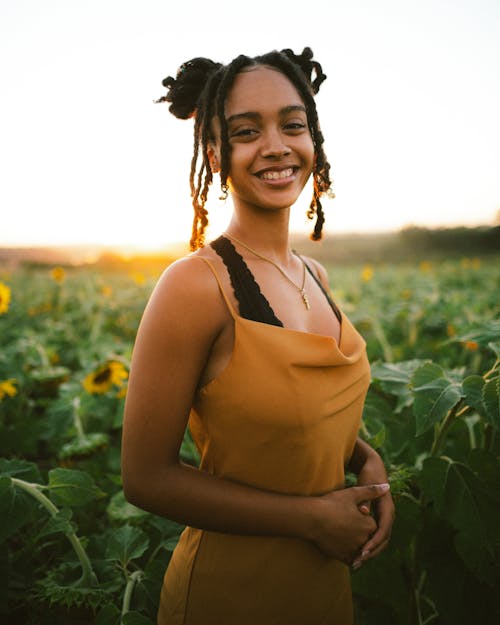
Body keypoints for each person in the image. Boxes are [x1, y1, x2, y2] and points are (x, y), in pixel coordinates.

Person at [121, 46, 395, 625]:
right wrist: (312, 519)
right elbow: (145, 479)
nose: (275, 145)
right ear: (216, 155)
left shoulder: (314, 275)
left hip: (322, 589)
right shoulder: (194, 287)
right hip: (229, 595)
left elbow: (290, 423)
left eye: (292, 125)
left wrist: (367, 461)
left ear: (313, 141)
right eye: (247, 131)